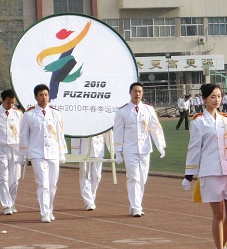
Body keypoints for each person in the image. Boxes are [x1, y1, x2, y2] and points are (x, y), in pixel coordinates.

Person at [183, 83, 227, 249]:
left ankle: (223, 245)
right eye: (213, 96)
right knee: (218, 214)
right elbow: (194, 149)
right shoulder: (198, 121)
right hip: (211, 171)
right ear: (204, 99)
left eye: (219, 96)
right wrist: (189, 174)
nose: (217, 100)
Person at [113, 82, 166, 217]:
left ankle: (134, 204)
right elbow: (118, 132)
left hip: (145, 149)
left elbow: (155, 127)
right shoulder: (122, 110)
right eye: (135, 91)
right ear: (130, 92)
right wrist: (118, 152)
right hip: (129, 149)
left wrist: (160, 144)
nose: (137, 94)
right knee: (133, 178)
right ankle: (137, 207)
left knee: (142, 179)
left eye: (140, 92)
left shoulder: (148, 109)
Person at [18, 84, 67, 223]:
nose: (44, 97)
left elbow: (60, 134)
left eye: (46, 94)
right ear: (36, 97)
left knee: (52, 184)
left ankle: (50, 209)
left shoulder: (56, 114)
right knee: (43, 183)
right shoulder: (29, 114)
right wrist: (23, 154)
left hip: (53, 152)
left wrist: (62, 152)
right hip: (37, 153)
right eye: (41, 95)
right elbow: (23, 136)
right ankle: (44, 212)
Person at [71, 133, 111, 211]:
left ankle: (91, 197)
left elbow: (108, 133)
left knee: (97, 176)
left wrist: (112, 149)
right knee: (85, 175)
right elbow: (75, 135)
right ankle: (88, 202)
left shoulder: (102, 120)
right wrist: (75, 153)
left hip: (98, 149)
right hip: (85, 150)